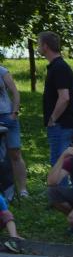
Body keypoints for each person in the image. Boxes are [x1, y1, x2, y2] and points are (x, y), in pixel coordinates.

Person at [38, 31, 73, 165]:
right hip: (62, 125)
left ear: (45, 46)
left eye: (39, 44)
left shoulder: (59, 67)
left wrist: (52, 119)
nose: (38, 48)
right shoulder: (56, 66)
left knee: (60, 164)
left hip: (62, 125)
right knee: (62, 163)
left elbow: (64, 98)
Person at [0, 65, 28, 197]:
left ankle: (23, 190)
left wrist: (14, 113)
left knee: (15, 153)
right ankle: (5, 190)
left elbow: (15, 92)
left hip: (7, 115)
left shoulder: (2, 71)